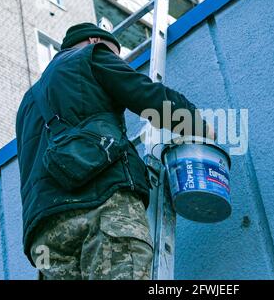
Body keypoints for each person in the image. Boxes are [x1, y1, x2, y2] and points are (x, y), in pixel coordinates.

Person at [16, 22, 213, 280]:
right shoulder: (90, 56)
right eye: (113, 53)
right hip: (102, 207)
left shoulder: (27, 104)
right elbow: (147, 95)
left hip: (45, 235)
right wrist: (198, 124)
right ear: (95, 41)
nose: (115, 60)